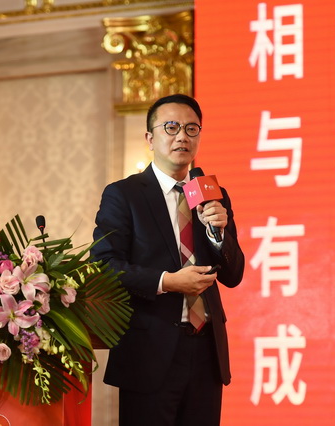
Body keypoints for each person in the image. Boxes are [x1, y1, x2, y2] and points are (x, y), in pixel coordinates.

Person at [91, 94, 245, 426]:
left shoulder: (212, 195)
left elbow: (233, 275)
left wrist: (219, 235)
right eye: (171, 127)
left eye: (191, 129)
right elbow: (104, 266)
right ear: (150, 138)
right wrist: (167, 281)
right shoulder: (124, 195)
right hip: (149, 352)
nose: (182, 137)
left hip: (206, 352)